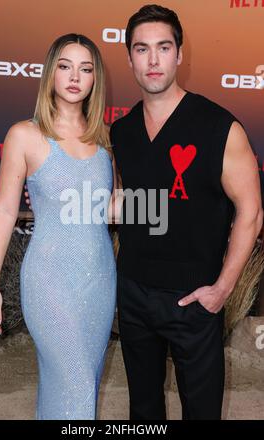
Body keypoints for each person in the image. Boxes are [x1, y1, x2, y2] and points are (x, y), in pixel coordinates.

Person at [109, 5, 263, 420]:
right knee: (143, 409)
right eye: (142, 49)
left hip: (195, 299)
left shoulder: (220, 127)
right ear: (130, 59)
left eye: (164, 47)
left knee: (202, 411)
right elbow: (129, 203)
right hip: (135, 295)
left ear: (180, 54)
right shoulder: (121, 132)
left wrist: (223, 290)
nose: (153, 60)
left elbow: (251, 211)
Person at [0, 34, 118, 420]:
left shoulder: (106, 140)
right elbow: (6, 211)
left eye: (86, 68)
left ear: (95, 79)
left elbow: (110, 209)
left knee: (79, 386)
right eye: (65, 66)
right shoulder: (23, 135)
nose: (75, 76)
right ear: (50, 73)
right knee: (76, 381)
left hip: (99, 281)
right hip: (49, 281)